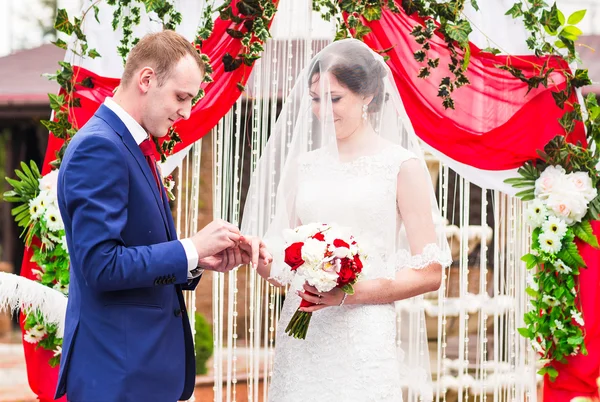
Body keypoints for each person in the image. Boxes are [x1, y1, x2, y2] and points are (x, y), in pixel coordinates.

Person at [55, 30, 270, 401]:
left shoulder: (131, 144)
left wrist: (196, 259)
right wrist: (189, 246)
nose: (186, 112)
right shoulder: (100, 147)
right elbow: (101, 265)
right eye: (181, 97)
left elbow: (137, 249)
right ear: (147, 79)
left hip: (139, 373)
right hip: (117, 376)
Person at [241, 39, 452, 401]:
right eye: (315, 98)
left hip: (363, 335)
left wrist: (346, 295)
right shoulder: (303, 167)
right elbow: (280, 266)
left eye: (334, 98)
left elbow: (430, 271)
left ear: (367, 95)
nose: (323, 111)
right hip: (302, 333)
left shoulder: (401, 166)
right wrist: (261, 259)